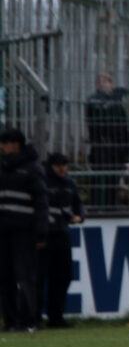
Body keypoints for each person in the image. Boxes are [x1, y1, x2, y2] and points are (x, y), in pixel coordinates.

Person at [0, 128, 49, 332]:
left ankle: (30, 319)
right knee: (4, 277)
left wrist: (41, 232)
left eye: (5, 142)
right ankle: (11, 320)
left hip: (24, 230)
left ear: (15, 144)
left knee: (25, 276)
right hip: (2, 231)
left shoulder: (31, 169)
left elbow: (41, 203)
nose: (2, 147)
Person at [42, 152, 84, 328]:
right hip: (44, 234)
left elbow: (78, 206)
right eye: (58, 165)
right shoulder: (43, 182)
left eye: (64, 165)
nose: (62, 168)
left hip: (62, 234)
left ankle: (56, 317)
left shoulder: (70, 183)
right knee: (40, 277)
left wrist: (79, 217)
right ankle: (33, 317)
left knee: (64, 276)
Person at [84, 72, 129, 208]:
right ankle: (99, 205)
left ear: (111, 83)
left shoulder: (117, 102)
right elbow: (95, 123)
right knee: (100, 179)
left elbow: (122, 125)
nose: (102, 84)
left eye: (105, 81)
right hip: (101, 146)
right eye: (99, 82)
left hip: (115, 148)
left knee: (113, 179)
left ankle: (111, 205)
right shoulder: (94, 102)